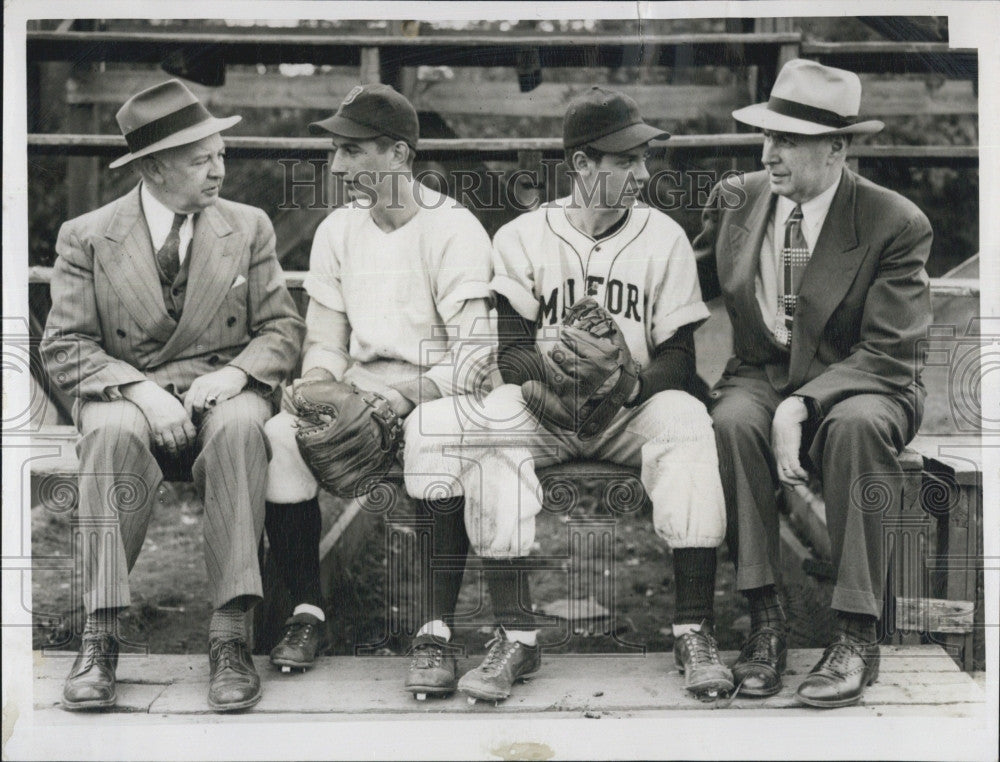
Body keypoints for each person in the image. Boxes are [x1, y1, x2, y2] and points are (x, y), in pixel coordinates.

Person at [407, 87, 731, 703]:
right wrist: (542, 383)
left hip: (629, 406)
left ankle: (695, 629)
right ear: (582, 166)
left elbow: (681, 358)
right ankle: (517, 636)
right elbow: (511, 348)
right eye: (626, 160)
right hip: (546, 410)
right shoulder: (524, 237)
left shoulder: (664, 237)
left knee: (688, 419)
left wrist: (630, 383)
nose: (642, 173)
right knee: (491, 422)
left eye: (644, 159)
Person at [41, 80, 305, 712]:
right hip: (125, 388)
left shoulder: (247, 227)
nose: (220, 170)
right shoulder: (88, 236)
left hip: (221, 386)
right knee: (108, 432)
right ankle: (100, 636)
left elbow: (283, 328)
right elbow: (65, 346)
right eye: (201, 159)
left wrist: (239, 373)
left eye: (221, 155)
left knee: (245, 427)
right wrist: (138, 391)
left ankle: (231, 636)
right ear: (155, 168)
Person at [694, 59, 932, 708]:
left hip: (863, 381)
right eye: (766, 137)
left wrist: (803, 403)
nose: (769, 154)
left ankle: (856, 633)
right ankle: (765, 620)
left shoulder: (894, 222)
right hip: (761, 374)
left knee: (855, 431)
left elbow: (892, 351)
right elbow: (687, 287)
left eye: (788, 141)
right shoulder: (738, 197)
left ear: (836, 148)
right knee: (730, 423)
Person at [261, 85, 494, 697]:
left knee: (431, 439)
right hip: (360, 387)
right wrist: (316, 388)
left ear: (398, 154)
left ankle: (435, 630)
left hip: (438, 388)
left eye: (352, 151)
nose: (338, 167)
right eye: (336, 152)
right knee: (282, 436)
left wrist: (401, 398)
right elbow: (325, 340)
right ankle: (307, 613)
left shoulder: (454, 227)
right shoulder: (338, 230)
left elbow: (474, 354)